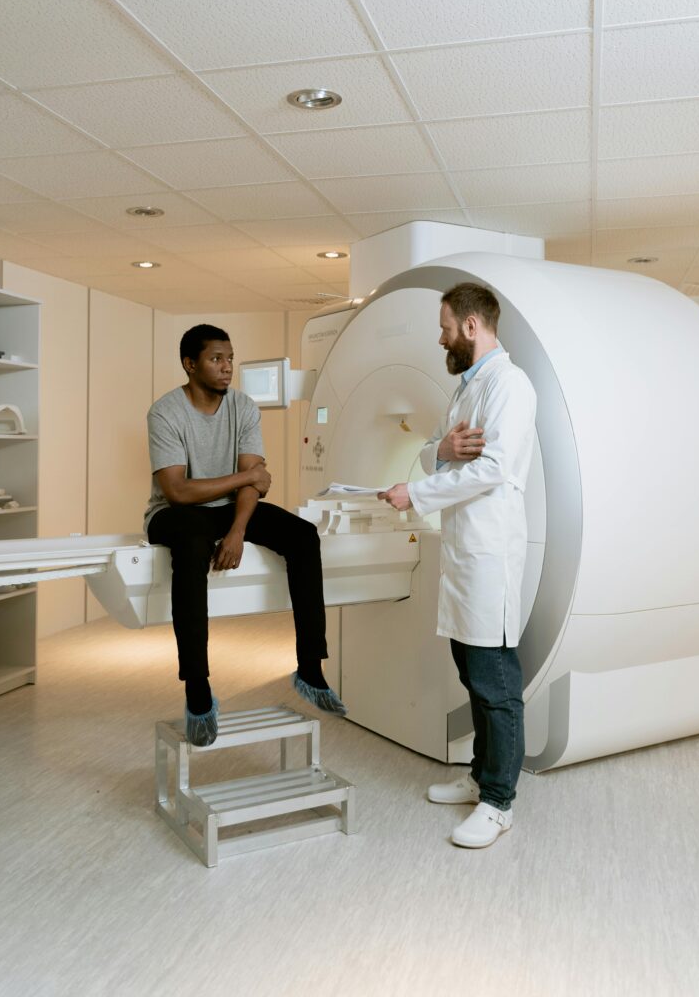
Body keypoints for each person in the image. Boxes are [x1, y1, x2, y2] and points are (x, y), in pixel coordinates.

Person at [379, 283, 536, 849]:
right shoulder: (468, 387)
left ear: (471, 327)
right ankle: (479, 779)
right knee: (472, 672)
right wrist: (440, 454)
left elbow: (493, 468)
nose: (440, 335)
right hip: (465, 552)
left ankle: (499, 803)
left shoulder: (509, 386)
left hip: (488, 552)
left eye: (445, 326)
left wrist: (416, 495)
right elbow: (435, 451)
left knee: (495, 683)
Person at [145, 323, 345, 747]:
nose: (227, 367)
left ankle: (309, 668)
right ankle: (197, 689)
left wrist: (238, 530)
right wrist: (244, 477)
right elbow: (177, 489)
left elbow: (256, 484)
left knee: (304, 536)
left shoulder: (244, 407)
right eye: (216, 359)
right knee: (193, 542)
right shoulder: (165, 412)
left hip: (229, 510)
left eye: (230, 358)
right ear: (189, 364)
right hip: (174, 513)